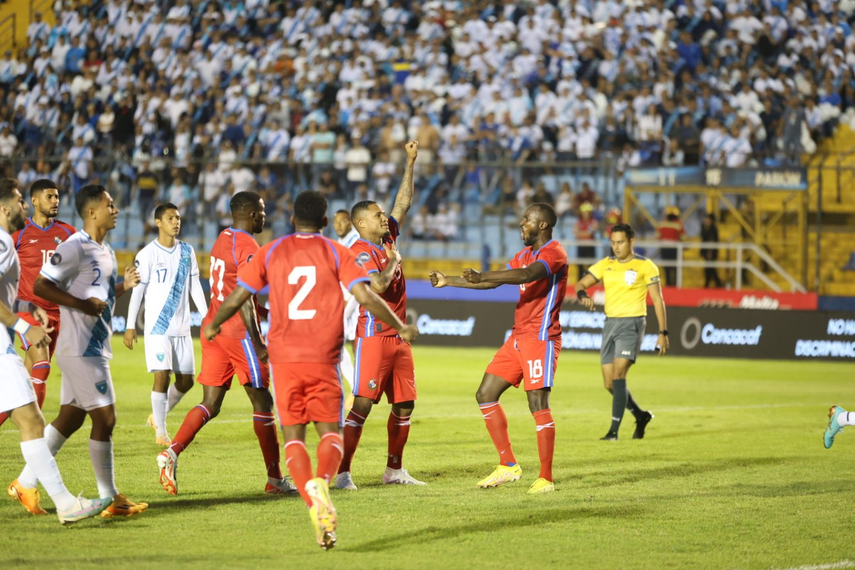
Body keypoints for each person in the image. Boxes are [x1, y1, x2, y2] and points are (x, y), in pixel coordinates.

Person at [203, 190, 418, 550]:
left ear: (292, 220)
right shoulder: (337, 251)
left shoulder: (271, 250)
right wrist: (402, 325)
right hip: (323, 355)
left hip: (284, 357)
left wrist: (214, 323)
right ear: (324, 222)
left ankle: (312, 497)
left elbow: (240, 294)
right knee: (329, 432)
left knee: (294, 437)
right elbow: (367, 295)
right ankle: (323, 481)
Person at [9, 184, 148, 518]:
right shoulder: (75, 246)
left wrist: (122, 288)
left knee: (70, 418)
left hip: (94, 345)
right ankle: (111, 498)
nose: (116, 210)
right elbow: (43, 284)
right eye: (109, 205)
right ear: (92, 212)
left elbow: (100, 297)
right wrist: (81, 305)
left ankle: (25, 483)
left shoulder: (106, 250)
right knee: (106, 417)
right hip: (80, 348)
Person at [156, 192, 295, 496]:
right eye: (261, 211)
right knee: (263, 402)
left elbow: (233, 288)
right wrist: (258, 341)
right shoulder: (248, 245)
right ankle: (275, 480)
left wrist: (268, 312)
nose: (264, 215)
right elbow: (243, 293)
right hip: (238, 334)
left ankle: (171, 453)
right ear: (249, 214)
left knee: (211, 403)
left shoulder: (224, 236)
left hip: (214, 326)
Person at [429, 203, 567, 494]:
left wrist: (484, 274)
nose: (521, 224)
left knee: (537, 404)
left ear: (543, 225)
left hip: (540, 339)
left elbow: (527, 275)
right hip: (517, 337)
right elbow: (492, 283)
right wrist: (449, 281)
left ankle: (546, 478)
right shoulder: (524, 254)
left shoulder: (554, 253)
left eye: (527, 220)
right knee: (485, 394)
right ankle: (508, 465)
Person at [0, 179, 110, 524]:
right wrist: (23, 325)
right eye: (20, 201)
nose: (23, 206)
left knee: (34, 418)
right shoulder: (5, 241)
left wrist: (25, 309)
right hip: (7, 342)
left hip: (41, 323)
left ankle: (52, 496)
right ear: (6, 209)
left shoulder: (61, 232)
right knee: (33, 420)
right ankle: (64, 503)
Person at [335, 141, 425, 491]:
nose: (384, 217)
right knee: (362, 404)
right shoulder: (359, 251)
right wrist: (392, 262)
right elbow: (376, 285)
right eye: (377, 215)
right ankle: (342, 473)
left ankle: (394, 470)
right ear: (361, 223)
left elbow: (404, 201)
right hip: (373, 335)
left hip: (398, 338)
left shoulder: (388, 236)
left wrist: (410, 161)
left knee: (404, 404)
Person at [124, 203, 208, 446]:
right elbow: (137, 292)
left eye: (178, 218)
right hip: (158, 327)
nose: (176, 222)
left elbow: (195, 287)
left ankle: (156, 416)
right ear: (158, 222)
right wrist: (130, 325)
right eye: (170, 218)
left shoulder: (187, 251)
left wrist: (207, 317)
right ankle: (161, 432)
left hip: (182, 328)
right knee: (162, 376)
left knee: (186, 381)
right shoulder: (147, 254)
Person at [574, 223, 666, 441]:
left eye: (620, 242)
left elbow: (657, 299)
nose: (616, 247)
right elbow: (580, 284)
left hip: (632, 324)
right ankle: (640, 415)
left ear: (631, 241)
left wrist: (663, 332)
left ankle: (613, 432)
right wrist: (582, 295)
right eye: (613, 242)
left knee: (618, 376)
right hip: (610, 325)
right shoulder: (606, 264)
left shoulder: (646, 266)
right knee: (609, 384)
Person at [0, 179, 76, 429]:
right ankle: (37, 434)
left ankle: (31, 431)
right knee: (42, 367)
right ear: (34, 201)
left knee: (24, 381)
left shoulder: (68, 233)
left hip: (56, 316)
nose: (55, 201)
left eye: (57, 197)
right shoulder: (17, 234)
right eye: (50, 197)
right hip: (27, 311)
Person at [333, 209, 360, 406]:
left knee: (344, 345)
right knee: (342, 346)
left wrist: (346, 301)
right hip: (344, 298)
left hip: (353, 298)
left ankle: (358, 388)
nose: (338, 225)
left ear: (350, 222)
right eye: (336, 222)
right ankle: (355, 387)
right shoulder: (341, 242)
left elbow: (356, 273)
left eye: (342, 221)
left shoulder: (354, 242)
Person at [657, 206, 683, 286]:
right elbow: (683, 237)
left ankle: (668, 285)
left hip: (664, 248)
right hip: (675, 249)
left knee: (666, 268)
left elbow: (658, 236)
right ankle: (675, 285)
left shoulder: (662, 223)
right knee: (675, 268)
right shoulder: (678, 224)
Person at [700, 214, 722, 288]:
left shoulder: (712, 229)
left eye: (707, 219)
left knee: (710, 269)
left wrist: (710, 252)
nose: (705, 221)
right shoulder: (704, 228)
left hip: (711, 252)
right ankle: (717, 283)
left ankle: (711, 284)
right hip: (707, 252)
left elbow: (712, 241)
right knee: (710, 268)